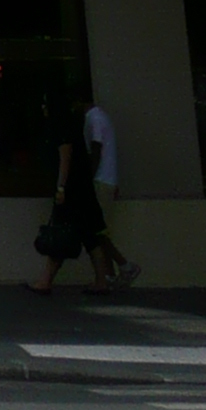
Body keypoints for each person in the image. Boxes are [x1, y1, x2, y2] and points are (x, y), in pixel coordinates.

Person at [30, 102, 115, 295]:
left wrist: (61, 187)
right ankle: (101, 280)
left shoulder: (61, 131)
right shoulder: (73, 129)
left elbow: (65, 159)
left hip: (71, 190)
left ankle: (45, 281)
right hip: (83, 189)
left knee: (61, 231)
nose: (43, 107)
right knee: (90, 233)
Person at [83, 98, 140, 289]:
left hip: (101, 180)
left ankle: (124, 265)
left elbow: (96, 148)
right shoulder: (102, 116)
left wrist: (88, 177)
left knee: (96, 230)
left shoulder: (94, 118)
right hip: (107, 179)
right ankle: (109, 273)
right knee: (99, 229)